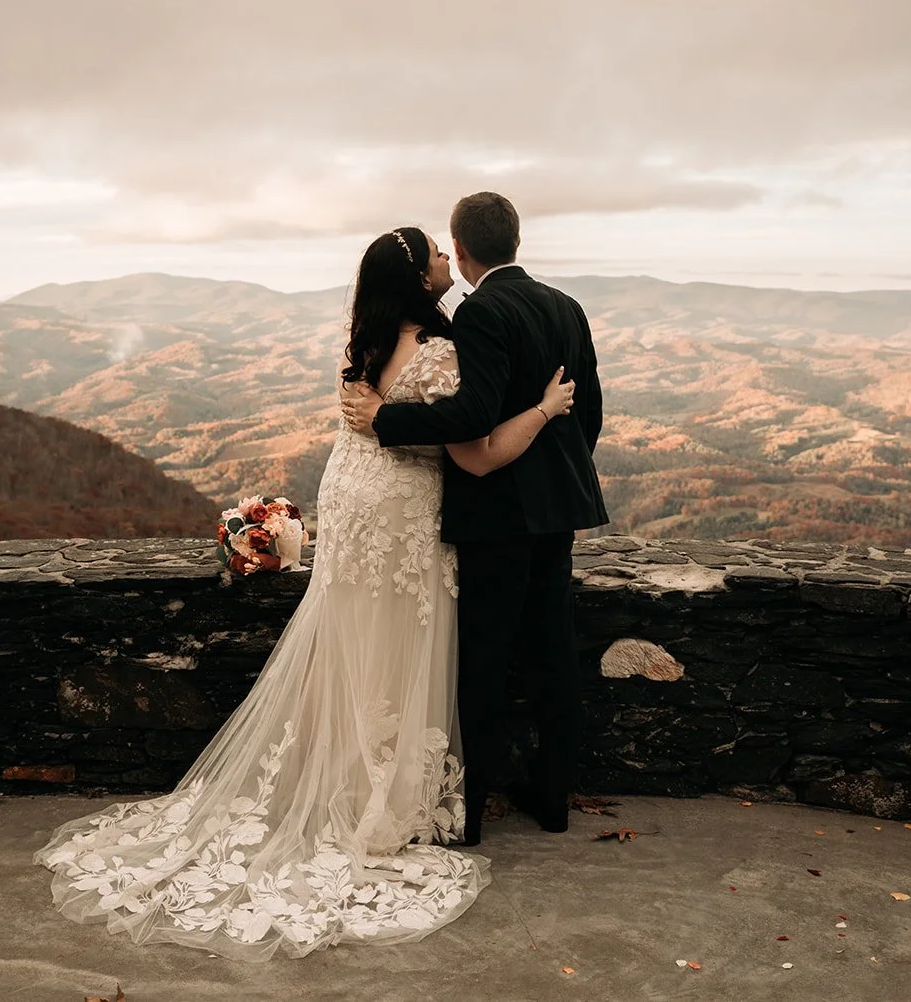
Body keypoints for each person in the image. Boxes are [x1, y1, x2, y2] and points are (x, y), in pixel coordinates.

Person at [34, 225, 574, 960]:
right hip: (400, 508)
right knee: (395, 640)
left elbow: (380, 424)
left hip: (351, 499)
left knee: (351, 633)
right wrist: (545, 409)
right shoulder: (442, 353)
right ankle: (377, 795)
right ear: (419, 279)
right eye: (436, 256)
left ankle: (344, 775)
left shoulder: (362, 343)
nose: (449, 260)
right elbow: (476, 458)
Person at [341, 192, 607, 846]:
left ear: (460, 251)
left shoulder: (480, 311)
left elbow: (471, 416)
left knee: (485, 661)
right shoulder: (567, 308)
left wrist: (384, 419)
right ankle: (553, 801)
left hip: (496, 513)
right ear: (515, 239)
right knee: (552, 653)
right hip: (556, 511)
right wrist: (554, 474)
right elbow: (590, 412)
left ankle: (472, 809)